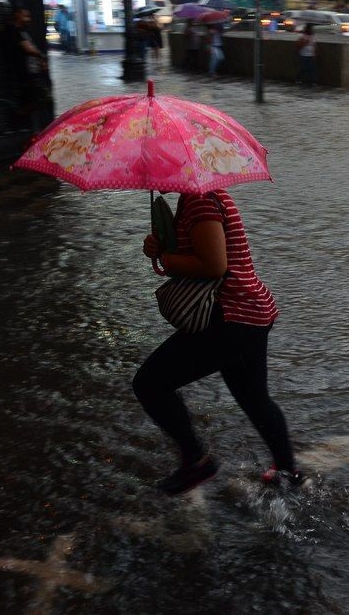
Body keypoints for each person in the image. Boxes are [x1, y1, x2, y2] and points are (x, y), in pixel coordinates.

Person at [136, 189, 302, 494]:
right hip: (249, 313)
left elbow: (214, 265)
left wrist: (166, 258)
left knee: (149, 384)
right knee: (255, 399)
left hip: (230, 316)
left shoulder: (200, 200)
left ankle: (196, 461)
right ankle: (289, 474)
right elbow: (198, 255)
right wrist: (160, 248)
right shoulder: (197, 197)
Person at [1, 6, 50, 130]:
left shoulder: (21, 31)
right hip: (25, 74)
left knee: (38, 99)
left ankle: (25, 124)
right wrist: (41, 57)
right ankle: (18, 116)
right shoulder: (14, 31)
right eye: (26, 16)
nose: (28, 19)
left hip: (31, 73)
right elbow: (28, 49)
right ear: (17, 15)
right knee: (41, 98)